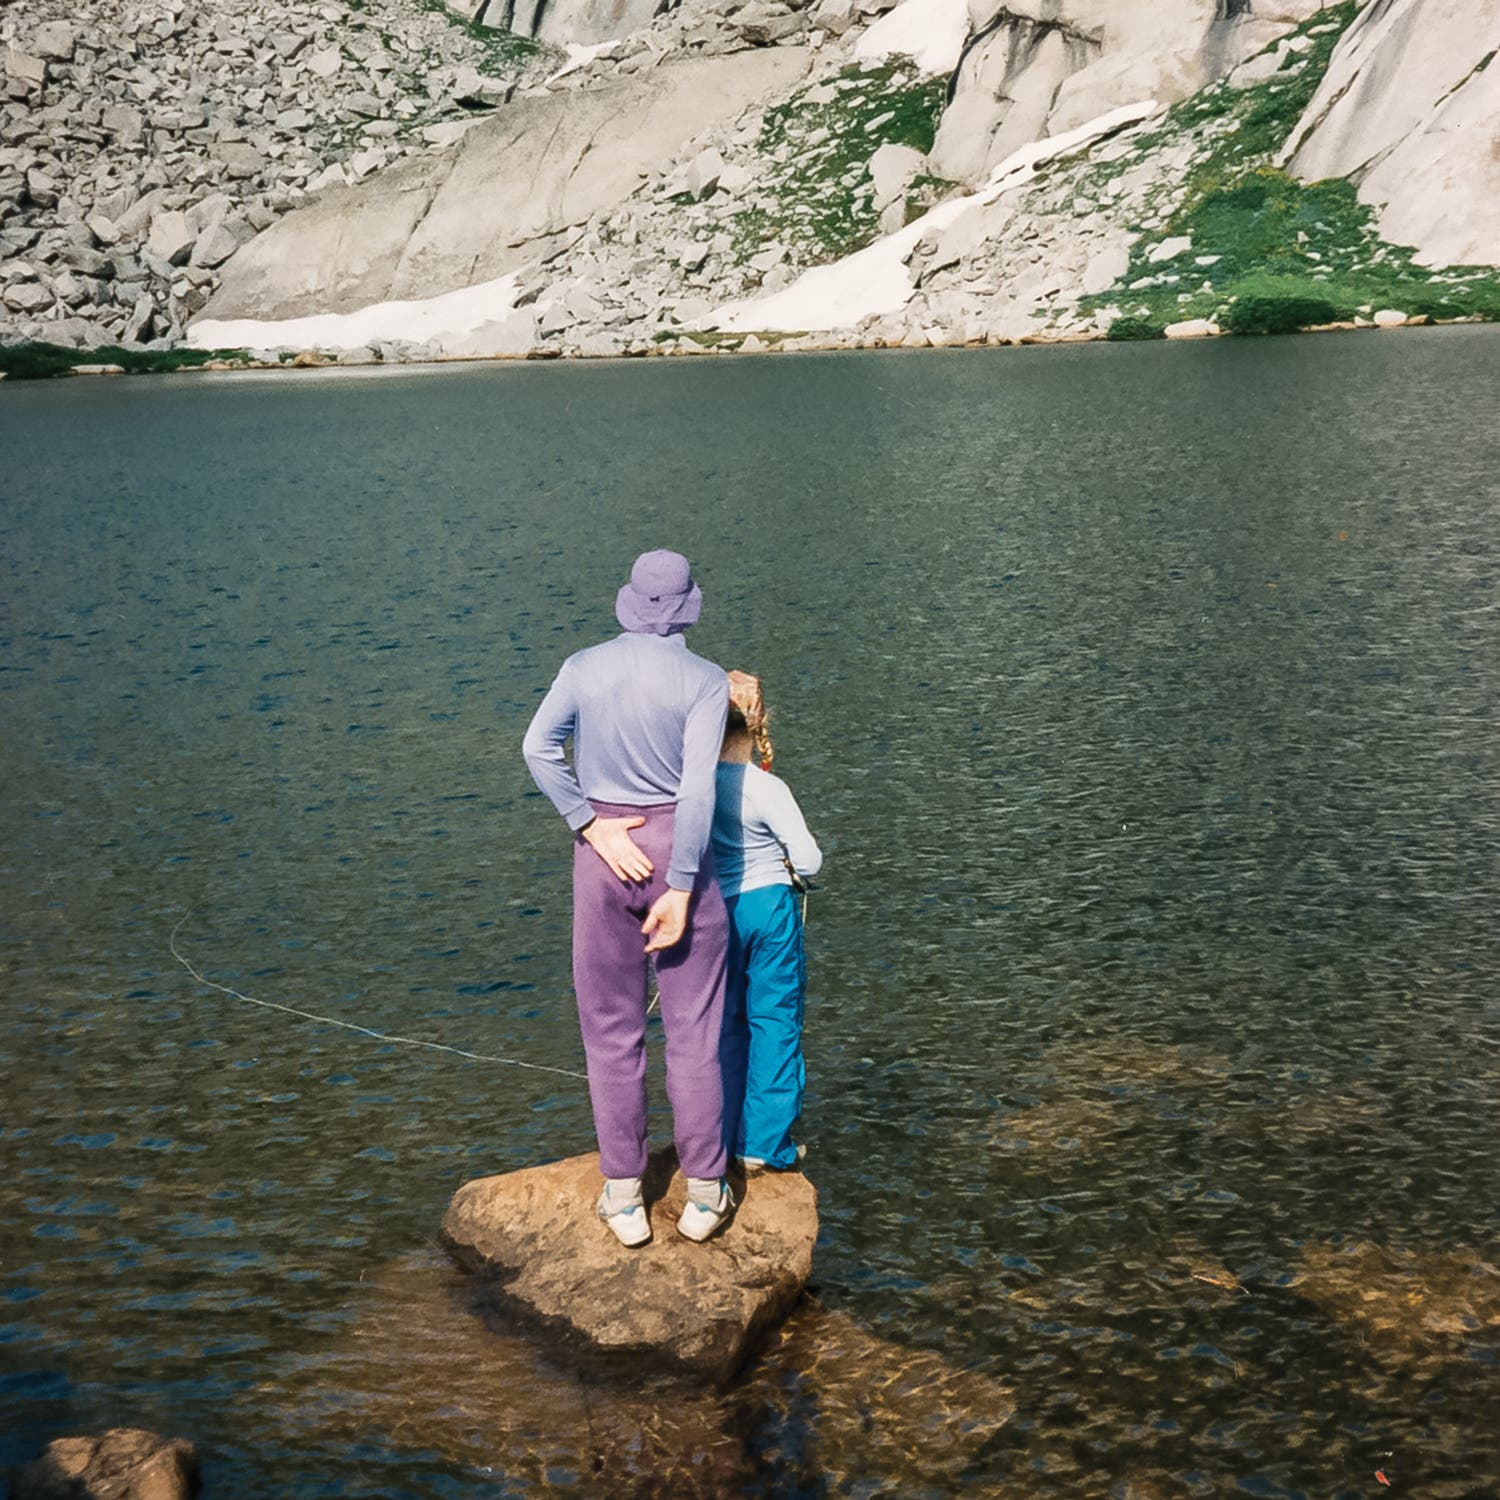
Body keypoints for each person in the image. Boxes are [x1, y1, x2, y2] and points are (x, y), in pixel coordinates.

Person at [522, 550, 735, 1248]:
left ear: (629, 602)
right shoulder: (706, 681)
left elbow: (537, 749)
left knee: (611, 1031)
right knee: (695, 1029)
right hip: (683, 853)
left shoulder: (583, 667)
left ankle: (624, 1197)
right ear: (687, 607)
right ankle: (705, 1195)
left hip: (605, 850)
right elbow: (700, 788)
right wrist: (679, 884)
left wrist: (588, 822)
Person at [712, 672, 823, 1173]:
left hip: (716, 913)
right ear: (756, 724)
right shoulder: (765, 787)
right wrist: (786, 867)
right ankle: (763, 1145)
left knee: (726, 1026)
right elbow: (810, 860)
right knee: (775, 1022)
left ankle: (724, 1135)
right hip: (769, 909)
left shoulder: (690, 787)